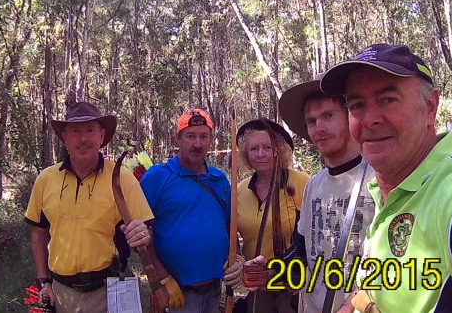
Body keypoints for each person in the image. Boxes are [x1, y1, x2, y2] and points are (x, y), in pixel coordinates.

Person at [320, 43, 452, 312]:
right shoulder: (387, 188)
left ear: (430, 107)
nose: (370, 119)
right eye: (357, 105)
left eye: (388, 99)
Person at [244, 74, 376, 313]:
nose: (319, 128)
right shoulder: (314, 185)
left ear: (350, 117)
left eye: (328, 116)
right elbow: (302, 251)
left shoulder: (378, 179)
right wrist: (272, 271)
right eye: (311, 121)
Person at [24, 101, 153, 313]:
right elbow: (38, 234)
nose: (83, 138)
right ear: (64, 137)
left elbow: (147, 232)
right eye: (75, 131)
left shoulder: (122, 178)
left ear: (101, 136)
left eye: (90, 130)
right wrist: (44, 282)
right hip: (63, 293)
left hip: (111, 289)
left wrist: (144, 235)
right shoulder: (46, 180)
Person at [139, 108, 244, 312]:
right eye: (190, 136)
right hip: (175, 293)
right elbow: (140, 239)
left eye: (204, 136)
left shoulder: (219, 180)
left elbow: (230, 228)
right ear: (178, 139)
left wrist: (238, 259)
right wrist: (162, 279)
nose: (197, 144)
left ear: (211, 140)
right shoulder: (157, 177)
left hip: (214, 291)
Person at [235, 118, 310, 313]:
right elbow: (230, 236)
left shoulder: (303, 183)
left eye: (267, 147)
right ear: (246, 154)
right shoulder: (240, 190)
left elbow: (312, 237)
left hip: (293, 285)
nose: (261, 154)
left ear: (279, 151)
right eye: (254, 149)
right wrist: (239, 263)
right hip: (258, 288)